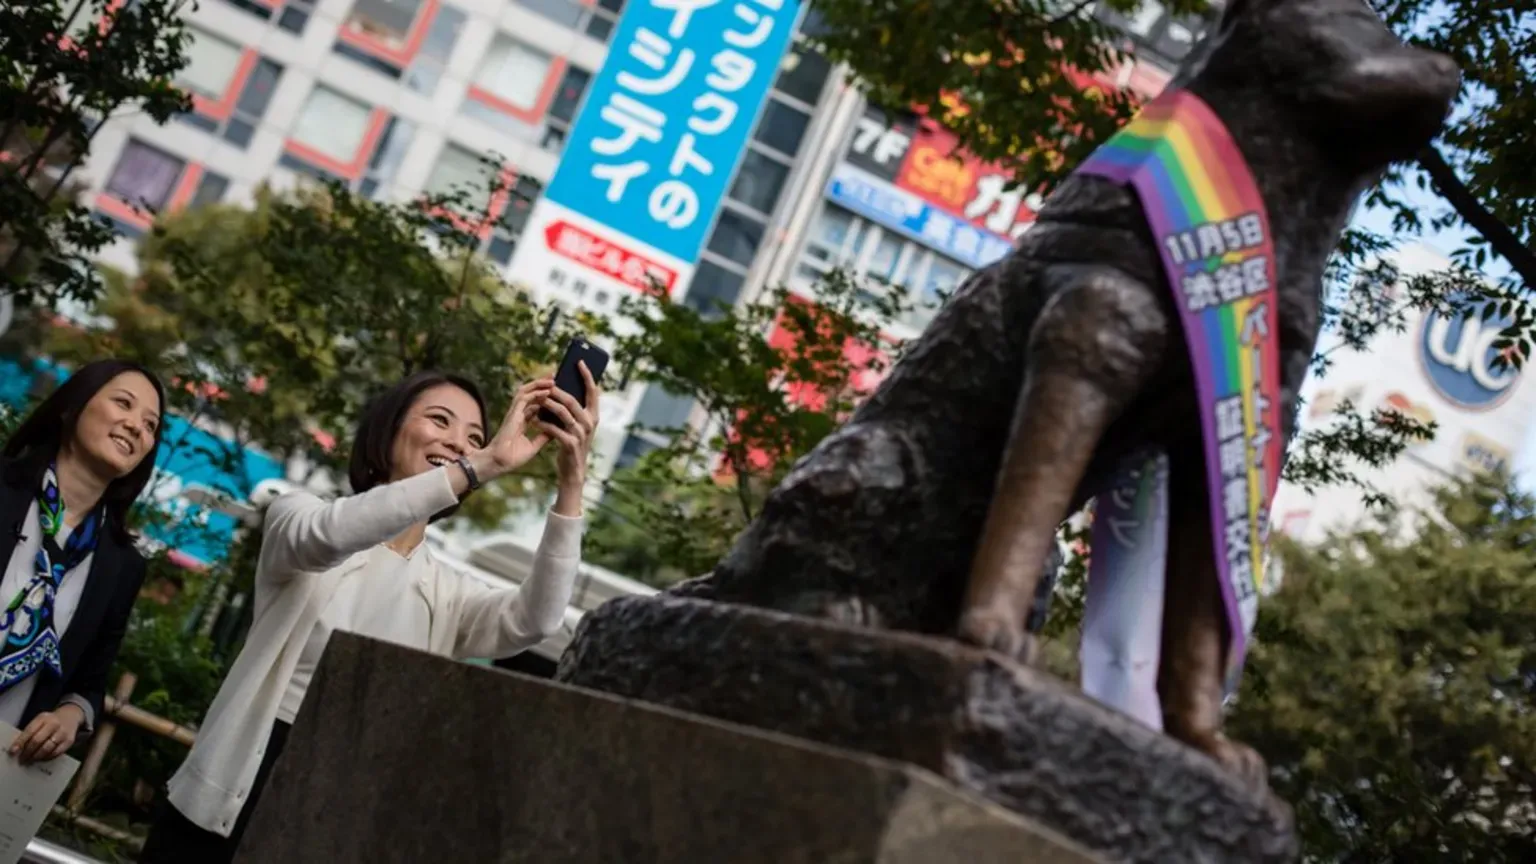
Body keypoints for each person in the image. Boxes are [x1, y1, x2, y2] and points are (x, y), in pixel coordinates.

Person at [139, 366, 600, 863]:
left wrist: (572, 480)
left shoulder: (447, 594)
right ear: (389, 428)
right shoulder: (299, 515)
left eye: (473, 437)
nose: (457, 443)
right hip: (230, 799)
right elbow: (331, 535)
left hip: (336, 819)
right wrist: (479, 465)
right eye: (440, 420)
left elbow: (538, 619)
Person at [2, 359, 165, 765]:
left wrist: (71, 715)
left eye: (150, 425)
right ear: (70, 407)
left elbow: (89, 682)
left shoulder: (122, 566)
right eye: (123, 404)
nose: (135, 426)